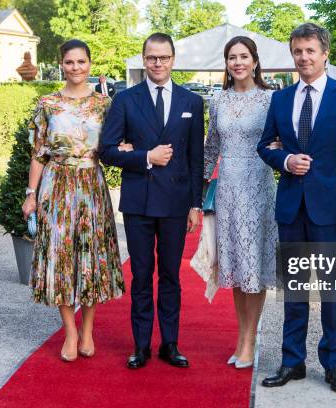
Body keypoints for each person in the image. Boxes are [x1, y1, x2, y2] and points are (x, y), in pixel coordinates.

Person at [257, 23, 336, 393]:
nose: (303, 57)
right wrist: (286, 161)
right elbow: (265, 146)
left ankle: (333, 361)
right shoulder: (281, 99)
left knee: (331, 291)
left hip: (332, 211)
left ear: (325, 54)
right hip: (291, 208)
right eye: (297, 51)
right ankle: (293, 362)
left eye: (309, 51)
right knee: (294, 290)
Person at [99, 33, 204, 369]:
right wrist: (146, 157)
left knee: (171, 276)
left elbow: (195, 157)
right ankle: (141, 345)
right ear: (144, 59)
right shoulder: (125, 100)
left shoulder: (192, 101)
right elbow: (107, 150)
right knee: (142, 275)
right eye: (152, 58)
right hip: (139, 202)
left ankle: (169, 344)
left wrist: (195, 204)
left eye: (164, 57)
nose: (158, 64)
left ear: (173, 59)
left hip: (175, 202)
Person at [22, 39, 126, 362]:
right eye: (69, 62)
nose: (76, 67)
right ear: (61, 65)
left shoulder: (105, 105)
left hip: (92, 186)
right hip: (56, 186)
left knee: (91, 258)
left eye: (81, 62)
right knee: (60, 257)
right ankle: (69, 331)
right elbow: (39, 153)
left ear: (90, 65)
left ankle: (88, 330)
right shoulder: (47, 104)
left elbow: (116, 145)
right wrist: (31, 194)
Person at [203, 36, 276, 369]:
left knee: (254, 266)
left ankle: (250, 339)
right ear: (227, 64)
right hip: (228, 191)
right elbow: (211, 148)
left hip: (258, 187)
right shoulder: (218, 101)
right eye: (232, 57)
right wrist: (197, 192)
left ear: (255, 61)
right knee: (234, 267)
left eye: (243, 56)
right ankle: (241, 336)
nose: (238, 63)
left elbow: (280, 142)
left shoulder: (270, 100)